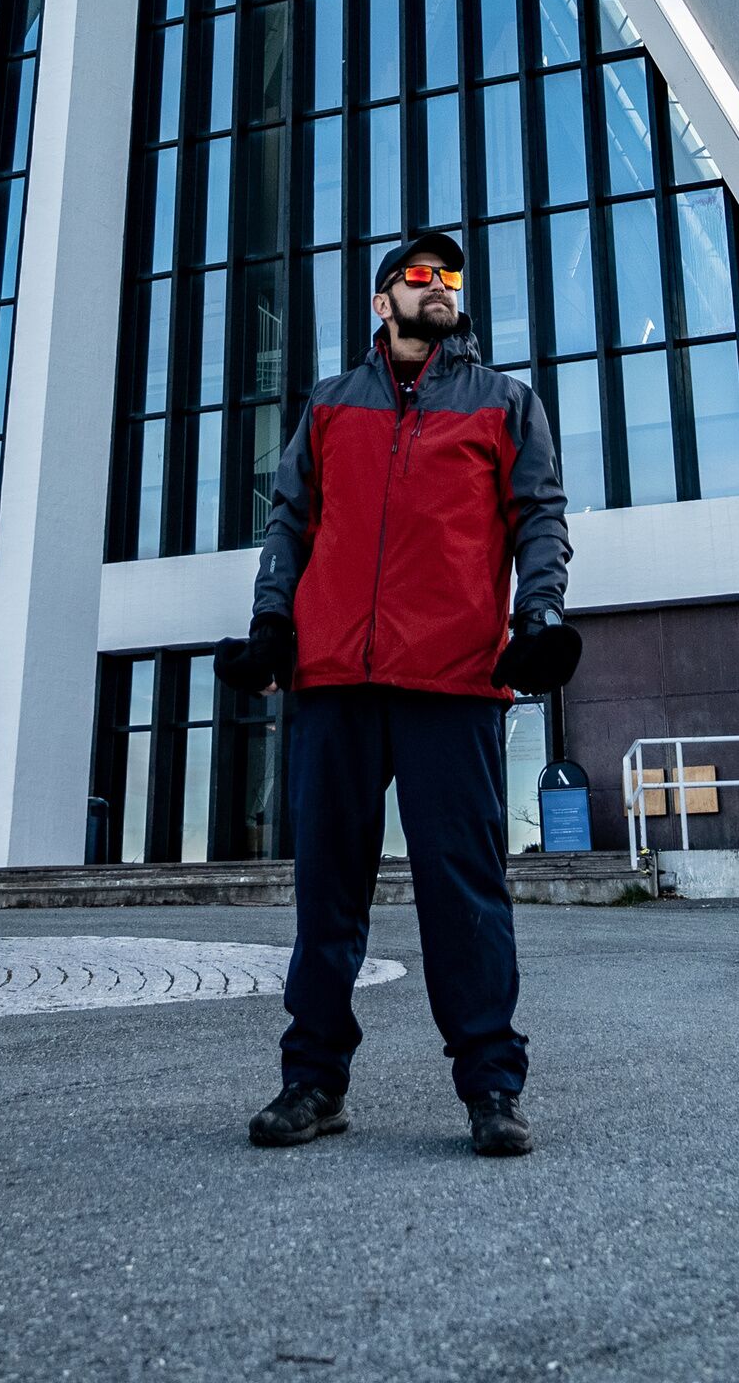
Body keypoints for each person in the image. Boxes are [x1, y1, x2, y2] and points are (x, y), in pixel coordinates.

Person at [219, 227, 579, 1158]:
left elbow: (539, 517)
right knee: (326, 893)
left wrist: (535, 618)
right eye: (421, 276)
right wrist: (273, 623)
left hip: (452, 680)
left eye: (451, 277)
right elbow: (291, 522)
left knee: (463, 892)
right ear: (383, 301)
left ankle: (492, 1088)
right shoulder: (333, 405)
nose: (441, 287)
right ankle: (313, 1085)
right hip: (335, 679)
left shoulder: (505, 403)